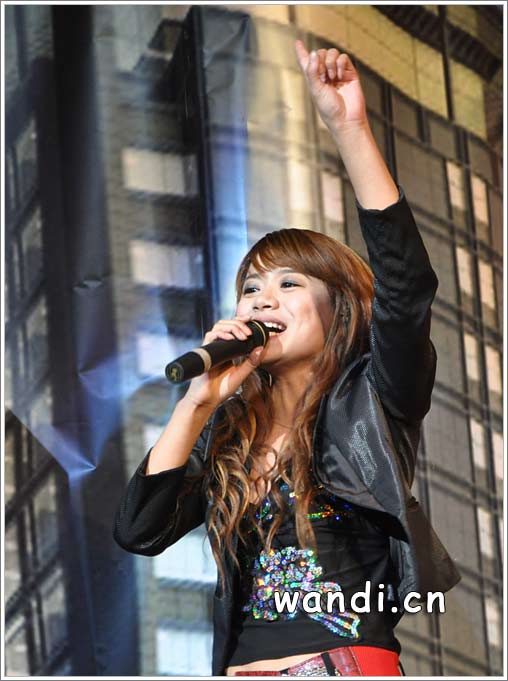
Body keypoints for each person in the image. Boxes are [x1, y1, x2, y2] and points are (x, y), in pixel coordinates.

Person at [113, 40, 461, 676]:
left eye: (289, 284)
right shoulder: (229, 431)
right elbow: (139, 530)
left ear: (338, 309)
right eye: (251, 288)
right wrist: (197, 405)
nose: (262, 299)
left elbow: (406, 286)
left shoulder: (375, 399)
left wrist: (349, 128)